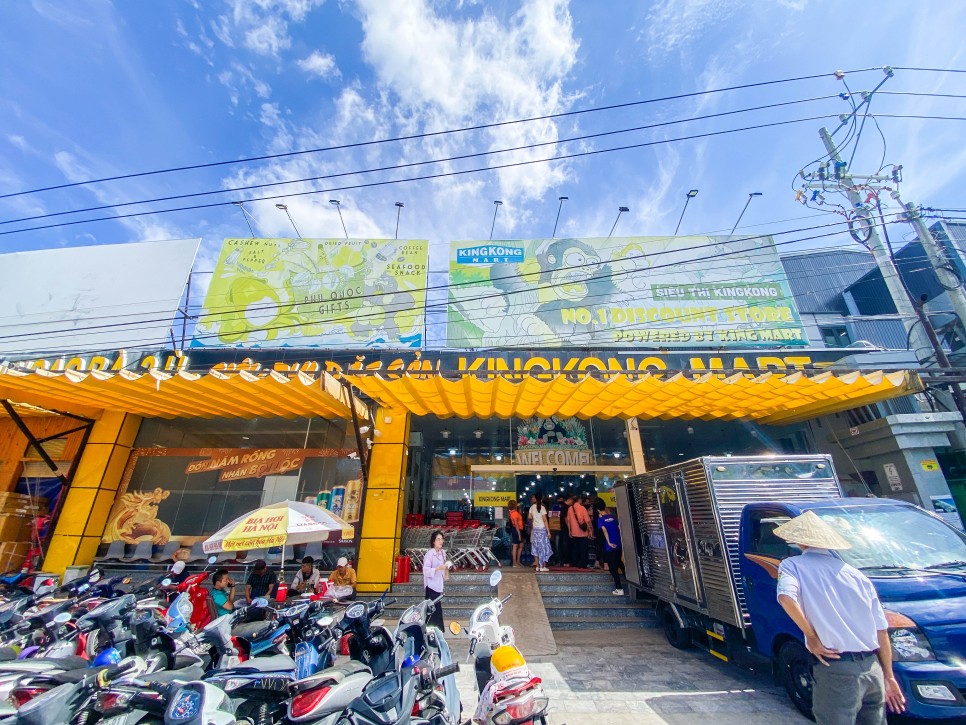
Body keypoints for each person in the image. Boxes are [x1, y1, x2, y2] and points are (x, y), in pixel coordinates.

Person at [774, 511, 906, 724]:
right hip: (873, 669)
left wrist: (812, 637)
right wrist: (889, 677)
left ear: (801, 542)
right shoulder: (856, 575)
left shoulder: (793, 565)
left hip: (837, 667)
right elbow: (881, 630)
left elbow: (786, 598)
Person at [595, 499, 625, 595]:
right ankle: (629, 581)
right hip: (618, 543)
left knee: (612, 567)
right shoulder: (612, 517)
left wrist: (608, 542)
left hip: (610, 546)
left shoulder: (601, 520)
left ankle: (619, 588)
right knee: (619, 563)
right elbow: (618, 528)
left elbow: (604, 530)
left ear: (598, 510)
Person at [422, 530, 449, 630]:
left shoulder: (442, 553)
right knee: (432, 611)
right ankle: (430, 631)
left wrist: (446, 569)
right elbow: (426, 570)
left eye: (442, 539)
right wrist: (437, 569)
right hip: (431, 586)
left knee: (437, 610)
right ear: (433, 541)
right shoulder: (430, 554)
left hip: (439, 586)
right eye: (438, 539)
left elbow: (444, 566)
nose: (440, 541)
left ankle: (438, 632)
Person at [528, 493, 552, 572]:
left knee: (536, 548)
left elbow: (529, 517)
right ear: (541, 499)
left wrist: (535, 519)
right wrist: (548, 531)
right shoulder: (542, 508)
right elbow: (545, 520)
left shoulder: (532, 507)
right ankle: (542, 566)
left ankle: (537, 566)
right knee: (543, 547)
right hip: (542, 530)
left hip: (535, 530)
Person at [566, 494, 592, 568]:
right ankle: (583, 564)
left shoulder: (570, 508)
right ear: (579, 500)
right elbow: (587, 520)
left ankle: (575, 563)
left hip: (574, 533)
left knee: (575, 549)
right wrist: (590, 531)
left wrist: (569, 531)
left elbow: (568, 521)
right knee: (583, 549)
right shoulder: (582, 508)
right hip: (583, 533)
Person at [507, 500, 524, 567]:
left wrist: (519, 507)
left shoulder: (515, 512)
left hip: (519, 529)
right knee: (515, 546)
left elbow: (520, 515)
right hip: (517, 530)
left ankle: (518, 561)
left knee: (521, 545)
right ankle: (514, 562)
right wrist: (519, 534)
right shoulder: (514, 513)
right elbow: (516, 524)